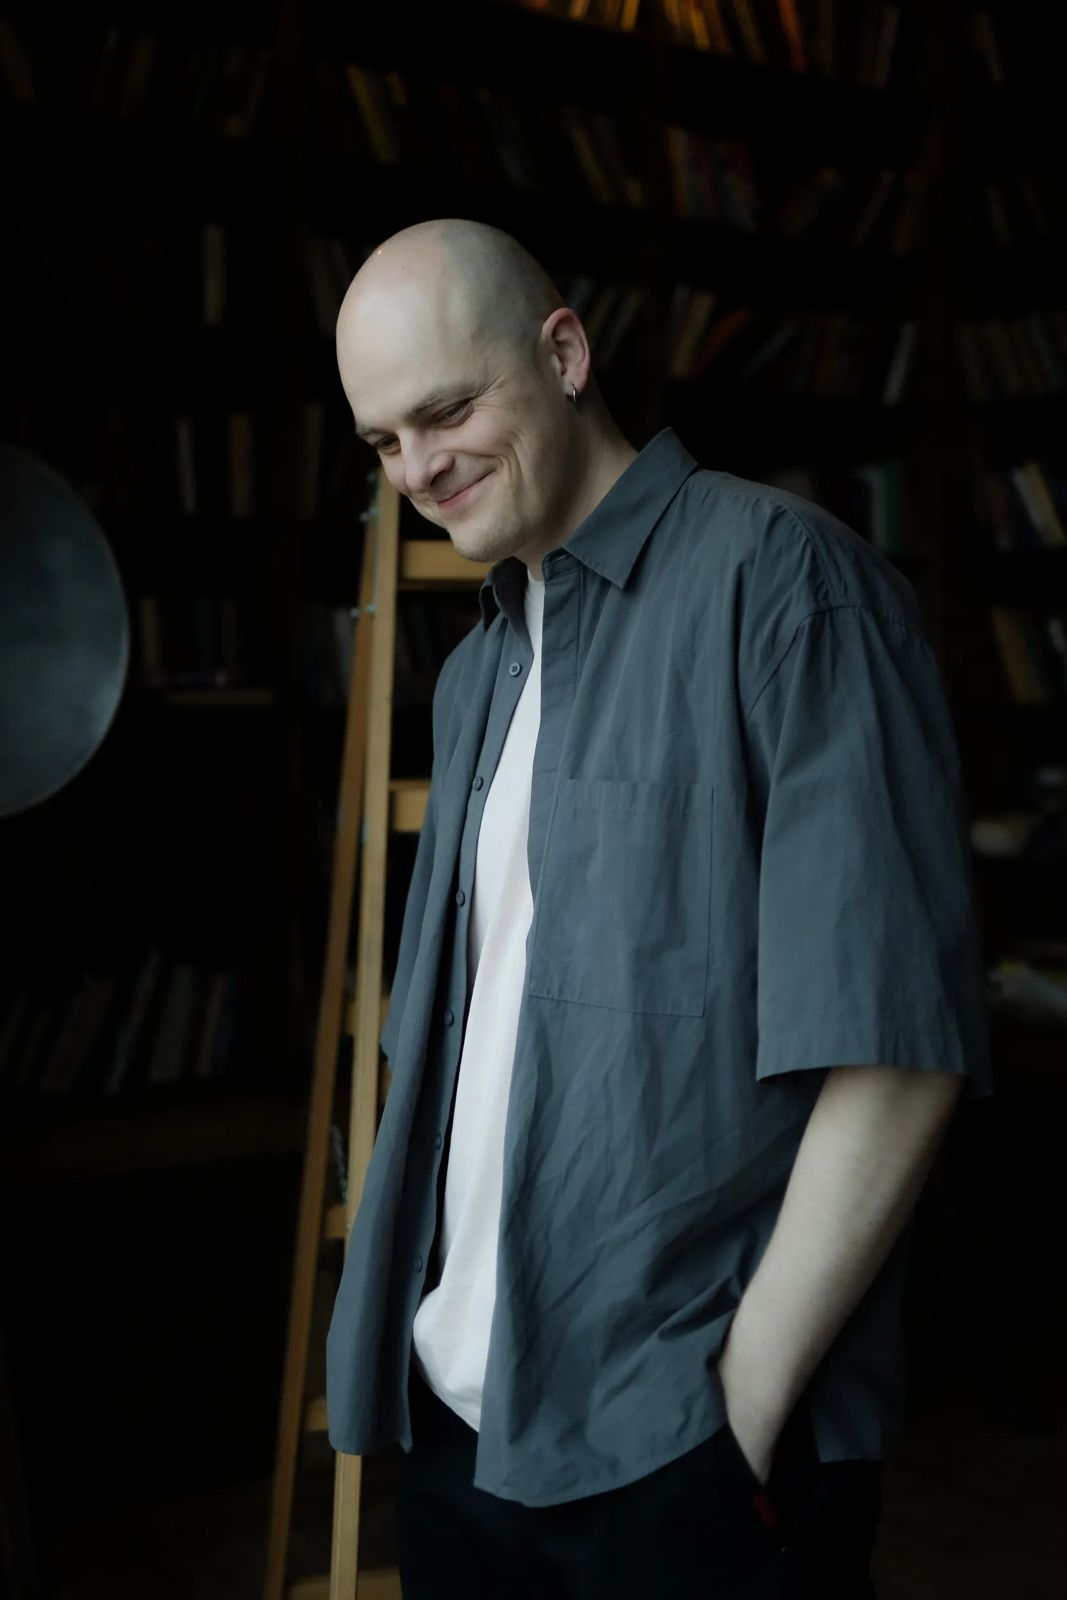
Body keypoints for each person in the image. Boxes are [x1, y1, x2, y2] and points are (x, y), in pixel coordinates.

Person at [325, 217, 993, 1599]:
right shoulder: (477, 671)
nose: (418, 470)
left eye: (445, 412)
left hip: (683, 1444)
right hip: (463, 1426)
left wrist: (739, 1412)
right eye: (382, 442)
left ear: (564, 353)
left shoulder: (787, 585)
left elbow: (896, 1051)